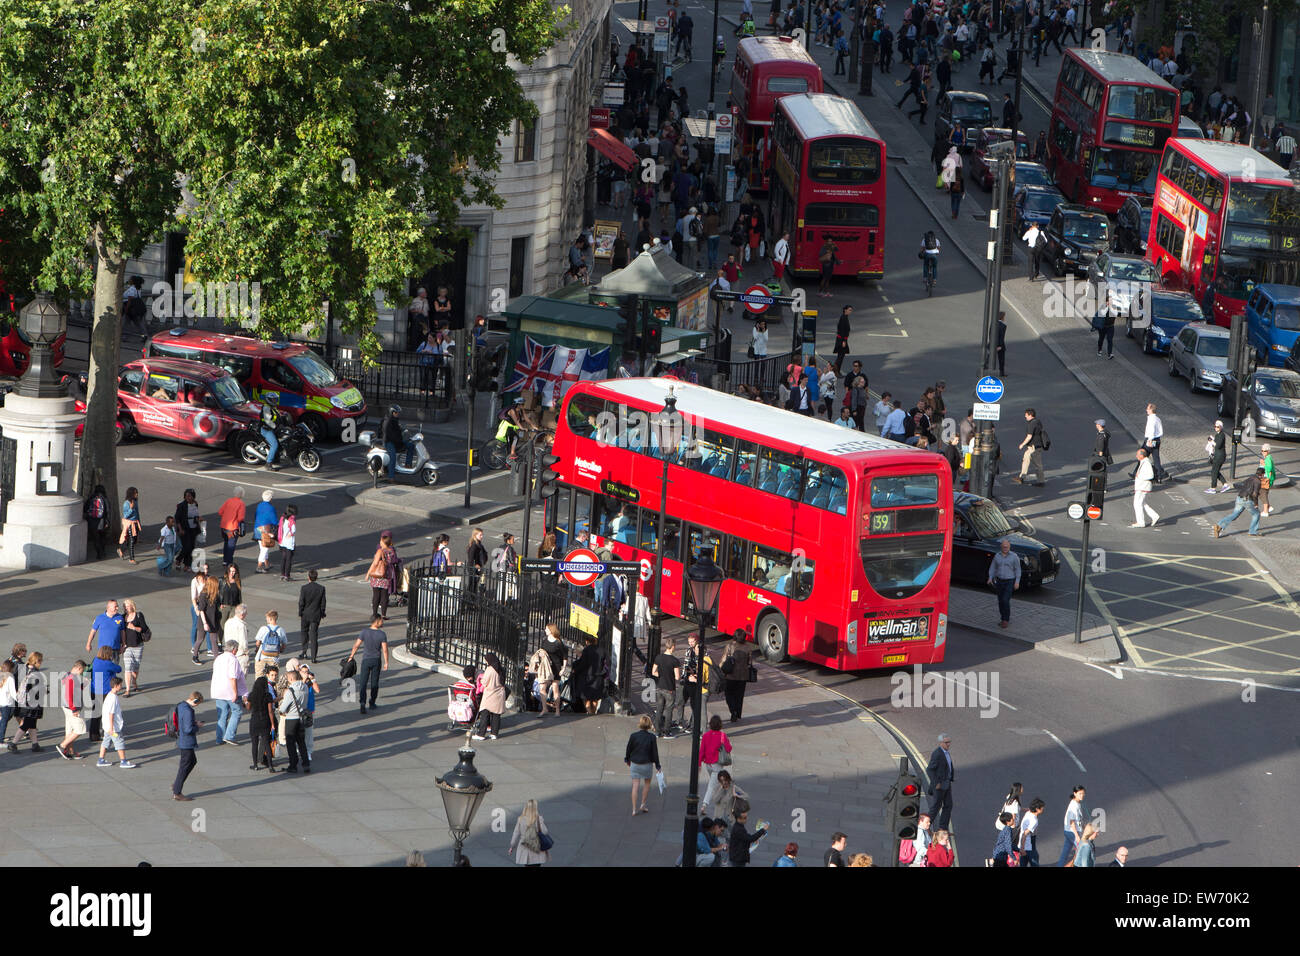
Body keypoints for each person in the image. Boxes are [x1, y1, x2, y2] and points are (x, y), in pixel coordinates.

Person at [347, 614, 390, 716]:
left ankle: (362, 703)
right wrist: (386, 662)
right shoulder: (382, 634)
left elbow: (356, 645)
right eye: (381, 621)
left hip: (366, 660)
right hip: (376, 660)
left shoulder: (364, 632)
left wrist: (351, 656)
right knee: (374, 682)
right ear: (377, 621)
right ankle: (372, 702)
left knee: (363, 682)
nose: (382, 622)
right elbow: (384, 649)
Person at [211, 639, 248, 746]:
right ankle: (229, 736)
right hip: (229, 691)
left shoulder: (218, 658)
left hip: (217, 690)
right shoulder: (233, 660)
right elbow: (233, 678)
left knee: (222, 714)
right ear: (234, 649)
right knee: (237, 711)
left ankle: (219, 738)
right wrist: (235, 693)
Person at [625, 714, 661, 815]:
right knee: (647, 784)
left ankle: (633, 809)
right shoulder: (652, 737)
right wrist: (658, 765)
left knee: (635, 786)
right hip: (647, 764)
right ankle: (643, 804)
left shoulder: (633, 736)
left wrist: (627, 760)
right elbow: (655, 752)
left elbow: (629, 749)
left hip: (635, 763)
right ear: (649, 725)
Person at [1213, 468, 1265, 538]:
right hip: (1248, 500)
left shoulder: (1251, 477)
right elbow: (1255, 494)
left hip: (1239, 497)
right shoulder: (1258, 481)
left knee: (1234, 515)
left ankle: (1219, 525)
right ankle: (1252, 531)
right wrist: (1256, 504)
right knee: (1256, 514)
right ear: (1262, 474)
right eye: (1264, 475)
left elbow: (1241, 484)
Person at [172, 691, 205, 801]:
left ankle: (177, 784)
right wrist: (198, 726)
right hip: (186, 741)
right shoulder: (188, 710)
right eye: (198, 703)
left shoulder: (181, 705)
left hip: (182, 740)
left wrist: (193, 722)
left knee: (192, 761)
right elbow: (188, 729)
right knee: (185, 765)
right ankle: (177, 791)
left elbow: (184, 722)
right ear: (195, 701)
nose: (197, 705)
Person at [277, 668, 310, 773]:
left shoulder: (290, 691)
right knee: (301, 742)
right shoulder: (304, 687)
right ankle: (306, 763)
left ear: (291, 678)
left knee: (290, 743)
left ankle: (293, 765)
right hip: (301, 718)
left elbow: (283, 708)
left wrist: (280, 710)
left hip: (291, 719)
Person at [11, 651, 44, 753]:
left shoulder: (24, 668)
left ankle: (35, 744)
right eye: (41, 661)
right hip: (32, 704)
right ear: (37, 661)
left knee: (32, 723)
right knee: (26, 724)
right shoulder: (36, 673)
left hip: (23, 701)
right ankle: (13, 743)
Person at [56, 660, 89, 760]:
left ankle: (70, 751)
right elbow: (69, 696)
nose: (82, 673)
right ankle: (62, 746)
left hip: (66, 707)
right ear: (79, 668)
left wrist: (84, 685)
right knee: (80, 728)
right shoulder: (72, 678)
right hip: (71, 708)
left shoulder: (68, 675)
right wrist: (74, 709)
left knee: (70, 730)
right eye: (82, 671)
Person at [87, 647, 121, 742]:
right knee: (108, 712)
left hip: (94, 689)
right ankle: (107, 732)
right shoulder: (108, 664)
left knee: (95, 714)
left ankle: (94, 735)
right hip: (105, 691)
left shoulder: (96, 660)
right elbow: (119, 669)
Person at [248, 664, 278, 772]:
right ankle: (270, 766)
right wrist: (273, 724)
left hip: (255, 720)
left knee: (254, 743)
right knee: (266, 743)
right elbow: (270, 711)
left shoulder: (252, 695)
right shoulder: (268, 695)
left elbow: (248, 707)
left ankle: (255, 765)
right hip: (265, 720)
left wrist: (246, 700)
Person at [366, 531, 401, 619]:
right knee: (384, 595)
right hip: (387, 575)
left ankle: (374, 613)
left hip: (378, 575)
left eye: (381, 540)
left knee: (376, 595)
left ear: (383, 542)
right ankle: (384, 615)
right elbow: (395, 561)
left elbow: (374, 563)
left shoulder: (380, 551)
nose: (380, 542)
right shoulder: (392, 551)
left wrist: (368, 574)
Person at [925, 732, 955, 831]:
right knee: (936, 807)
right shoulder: (937, 753)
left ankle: (942, 828)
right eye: (946, 742)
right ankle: (926, 826)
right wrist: (936, 783)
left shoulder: (946, 752)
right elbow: (930, 769)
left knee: (948, 805)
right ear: (941, 743)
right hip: (939, 785)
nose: (948, 744)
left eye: (949, 742)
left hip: (946, 784)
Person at [472, 652, 505, 739]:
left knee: (485, 713)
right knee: (496, 714)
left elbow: (484, 682)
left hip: (490, 694)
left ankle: (481, 734)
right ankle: (494, 733)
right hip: (499, 694)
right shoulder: (500, 669)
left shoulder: (490, 669)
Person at [509, 799, 552, 866]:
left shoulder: (521, 819)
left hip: (525, 847)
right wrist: (541, 822)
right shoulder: (538, 819)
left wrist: (512, 846)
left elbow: (516, 833)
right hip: (536, 847)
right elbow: (545, 831)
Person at [573, 635, 608, 714]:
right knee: (595, 698)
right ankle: (594, 711)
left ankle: (589, 713)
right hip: (599, 676)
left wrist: (576, 670)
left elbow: (583, 664)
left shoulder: (586, 650)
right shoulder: (602, 650)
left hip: (588, 677)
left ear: (587, 641)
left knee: (587, 699)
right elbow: (606, 662)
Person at [297, 569, 326, 662]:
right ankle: (314, 657)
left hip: (305, 614)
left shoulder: (304, 588)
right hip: (316, 615)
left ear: (308, 577)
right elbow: (323, 603)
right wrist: (322, 612)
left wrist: (300, 612)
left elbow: (301, 602)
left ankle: (304, 651)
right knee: (314, 636)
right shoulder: (321, 588)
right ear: (316, 577)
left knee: (304, 633)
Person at [720, 638, 752, 721]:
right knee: (739, 696)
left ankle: (732, 710)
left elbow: (724, 659)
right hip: (743, 676)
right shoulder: (748, 647)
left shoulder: (730, 646)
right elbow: (750, 662)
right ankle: (737, 713)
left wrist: (720, 669)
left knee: (729, 694)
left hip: (731, 675)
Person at [1013, 407, 1046, 486]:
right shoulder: (1038, 421)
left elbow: (1029, 436)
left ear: (1030, 415)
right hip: (1034, 446)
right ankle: (1022, 477)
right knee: (1026, 459)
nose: (1025, 417)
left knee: (1037, 464)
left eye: (1026, 415)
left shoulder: (1032, 424)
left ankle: (1041, 481)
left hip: (1034, 447)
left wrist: (1022, 444)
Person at [193, 573, 221, 666]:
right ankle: (195, 656)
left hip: (213, 620)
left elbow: (217, 606)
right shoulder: (203, 595)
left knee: (214, 640)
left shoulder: (215, 595)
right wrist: (205, 623)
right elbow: (201, 610)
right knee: (200, 639)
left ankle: (217, 659)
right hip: (204, 620)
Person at [380, 405, 413, 481]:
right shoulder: (387, 422)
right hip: (388, 442)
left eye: (398, 412)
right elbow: (390, 435)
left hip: (396, 441)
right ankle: (391, 476)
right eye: (396, 412)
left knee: (411, 445)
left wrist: (403, 431)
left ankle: (408, 465)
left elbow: (397, 430)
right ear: (392, 412)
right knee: (393, 457)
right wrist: (400, 441)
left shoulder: (395, 420)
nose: (398, 414)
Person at [1056, 784, 1086, 866]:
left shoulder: (1077, 803)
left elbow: (1079, 819)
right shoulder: (1073, 805)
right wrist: (1077, 836)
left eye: (1083, 793)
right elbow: (1072, 822)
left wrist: (1084, 827)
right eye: (1080, 793)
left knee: (1065, 854)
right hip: (1072, 832)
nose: (1082, 795)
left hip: (1070, 832)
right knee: (1082, 851)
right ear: (1075, 793)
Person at [252, 609, 287, 679]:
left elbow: (258, 642)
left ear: (270, 618)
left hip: (262, 656)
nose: (266, 619)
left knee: (259, 676)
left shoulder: (263, 628)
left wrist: (257, 649)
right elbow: (284, 644)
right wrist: (280, 650)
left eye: (267, 618)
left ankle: (259, 689)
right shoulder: (280, 630)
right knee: (273, 677)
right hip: (274, 657)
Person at [174, 489, 202, 573]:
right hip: (184, 528)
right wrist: (180, 529)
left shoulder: (195, 504)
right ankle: (178, 559)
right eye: (186, 496)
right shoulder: (181, 506)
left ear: (193, 496)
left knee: (191, 547)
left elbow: (196, 515)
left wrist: (198, 519)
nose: (188, 498)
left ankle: (187, 565)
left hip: (193, 528)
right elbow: (177, 518)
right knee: (187, 546)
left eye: (189, 496)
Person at [217, 487, 246, 566]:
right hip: (233, 528)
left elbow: (220, 512)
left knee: (226, 543)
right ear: (242, 494)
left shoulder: (228, 501)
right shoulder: (241, 504)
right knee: (231, 546)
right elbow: (240, 518)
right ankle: (229, 562)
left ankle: (225, 560)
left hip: (223, 526)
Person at [1131, 448, 1159, 528]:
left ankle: (1141, 522)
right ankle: (1154, 516)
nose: (1136, 456)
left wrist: (1139, 476)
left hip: (1143, 487)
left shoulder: (1146, 463)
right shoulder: (1144, 462)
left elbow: (1150, 475)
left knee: (1137, 504)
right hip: (1142, 486)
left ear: (1142, 455)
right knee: (1142, 503)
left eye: (1137, 454)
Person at [84, 484, 110, 560]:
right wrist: (107, 522)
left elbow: (85, 508)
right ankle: (103, 551)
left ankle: (99, 553)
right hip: (102, 521)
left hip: (92, 521)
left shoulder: (91, 498)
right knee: (102, 537)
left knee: (96, 539)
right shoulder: (104, 498)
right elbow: (108, 511)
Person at [1019, 797, 1046, 866]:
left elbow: (1028, 809)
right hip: (1028, 844)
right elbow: (1025, 834)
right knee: (1035, 861)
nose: (1043, 809)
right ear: (1037, 809)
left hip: (1024, 842)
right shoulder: (1034, 820)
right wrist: (1022, 849)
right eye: (1042, 808)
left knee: (1023, 862)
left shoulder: (1028, 812)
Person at [118, 486, 141, 563]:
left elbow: (137, 513)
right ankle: (132, 559)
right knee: (131, 541)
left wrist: (139, 523)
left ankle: (121, 549)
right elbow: (125, 515)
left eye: (137, 493)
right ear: (131, 494)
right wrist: (131, 509)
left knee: (133, 540)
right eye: (135, 493)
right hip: (129, 524)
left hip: (135, 523)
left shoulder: (135, 502)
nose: (137, 494)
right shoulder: (126, 504)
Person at [1206, 421, 1229, 493]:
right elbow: (1214, 445)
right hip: (1217, 455)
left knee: (1214, 471)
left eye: (1217, 427)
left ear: (1221, 427)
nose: (1216, 428)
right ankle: (1225, 484)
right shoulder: (1217, 435)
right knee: (1215, 471)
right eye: (1215, 426)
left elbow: (1218, 445)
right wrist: (1211, 442)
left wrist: (1212, 441)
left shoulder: (1222, 435)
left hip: (1220, 456)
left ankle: (1213, 488)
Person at [277, 504, 297, 581]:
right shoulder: (291, 520)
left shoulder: (282, 518)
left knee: (283, 558)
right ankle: (287, 575)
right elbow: (293, 530)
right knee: (289, 559)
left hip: (282, 541)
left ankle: (282, 574)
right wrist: (290, 534)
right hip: (289, 542)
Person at [833, 306, 852, 374]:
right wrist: (843, 341)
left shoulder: (845, 317)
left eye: (851, 310)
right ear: (845, 310)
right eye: (849, 310)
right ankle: (836, 371)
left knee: (841, 355)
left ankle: (837, 370)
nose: (850, 311)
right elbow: (842, 330)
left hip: (842, 339)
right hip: (842, 340)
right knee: (840, 356)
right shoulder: (843, 318)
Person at [1259, 444, 1276, 516]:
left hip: (1266, 479)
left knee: (1262, 493)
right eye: (1262, 451)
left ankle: (1266, 511)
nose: (1263, 452)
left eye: (1264, 451)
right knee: (1263, 493)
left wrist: (1263, 464)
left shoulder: (1268, 458)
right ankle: (1268, 507)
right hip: (1266, 479)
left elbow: (1269, 468)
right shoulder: (1268, 457)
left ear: (1268, 451)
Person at [995, 311, 1008, 377]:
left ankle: (986, 368)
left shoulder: (993, 323)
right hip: (1000, 345)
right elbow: (1001, 337)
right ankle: (1001, 373)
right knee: (1001, 360)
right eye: (1004, 317)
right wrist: (999, 345)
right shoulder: (1003, 326)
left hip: (992, 344)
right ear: (1002, 317)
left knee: (989, 357)